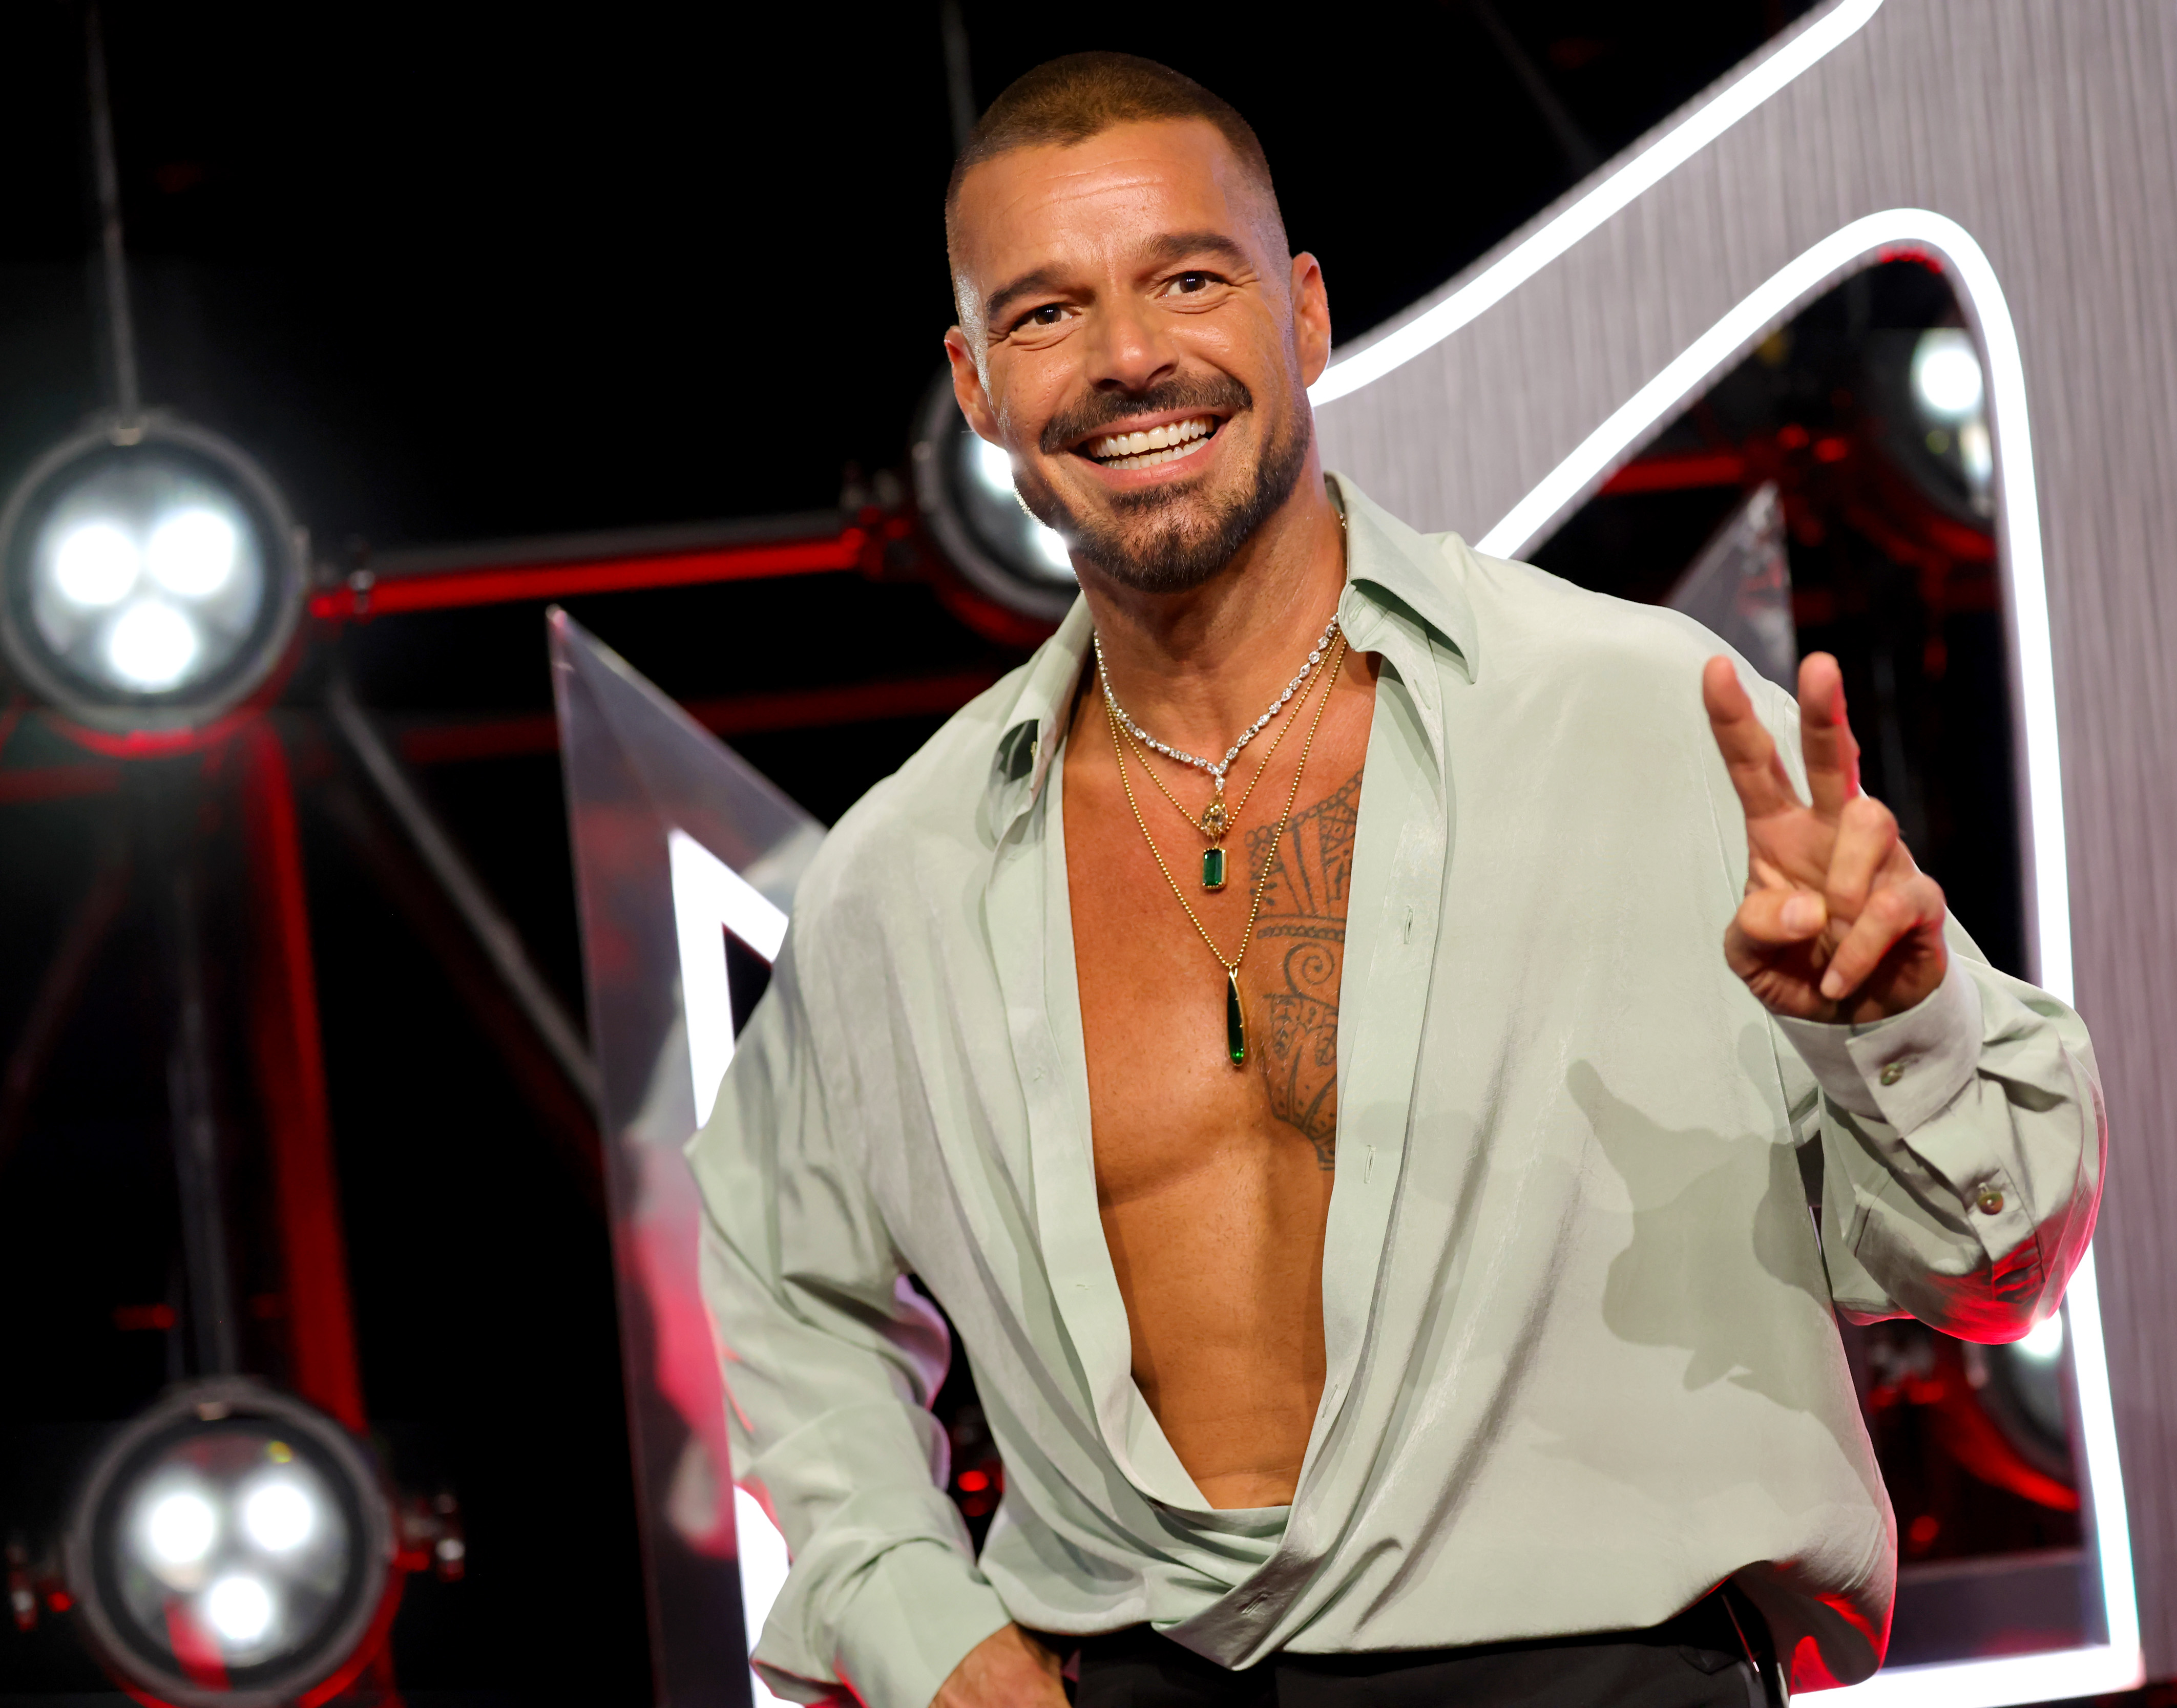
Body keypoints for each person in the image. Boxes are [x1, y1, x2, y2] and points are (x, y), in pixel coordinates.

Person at [689, 50, 2104, 1708]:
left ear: (1304, 313)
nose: (1130, 357)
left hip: (1593, 1672)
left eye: (1188, 280)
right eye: (1047, 313)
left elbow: (2002, 1260)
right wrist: (928, 1636)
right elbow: (779, 1285)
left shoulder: (1642, 716)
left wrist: (1900, 1025)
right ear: (976, 382)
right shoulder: (902, 871)